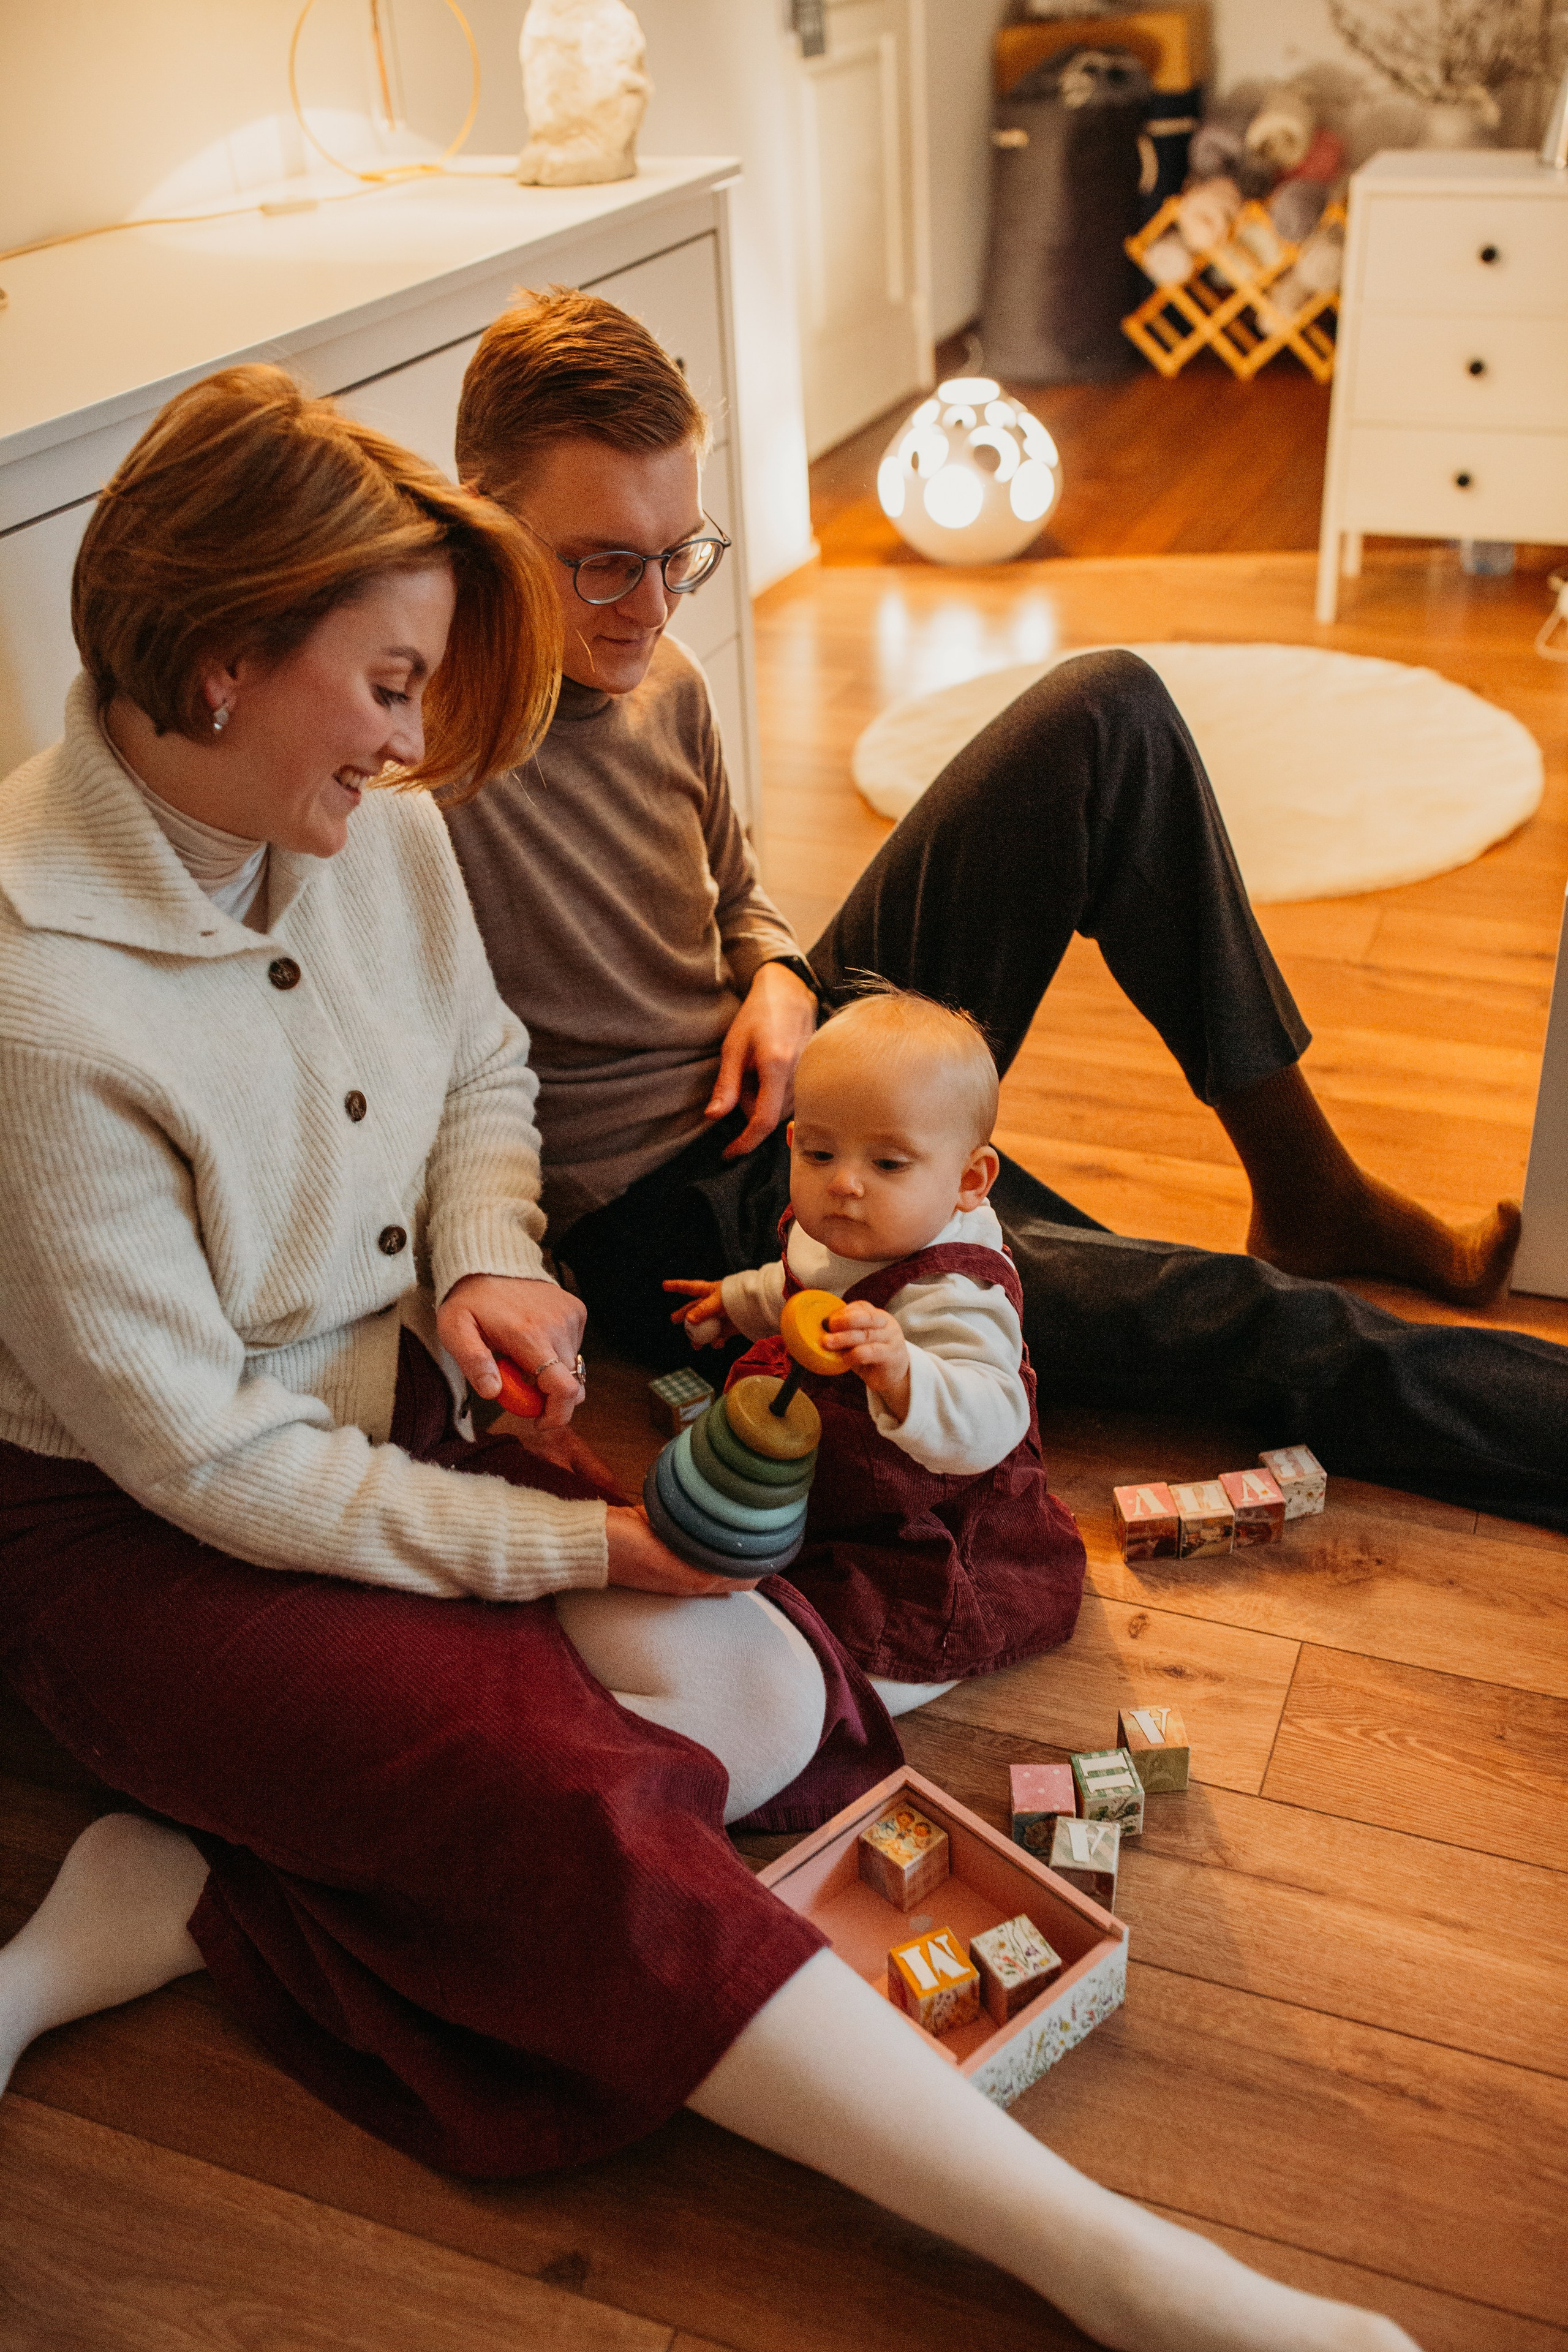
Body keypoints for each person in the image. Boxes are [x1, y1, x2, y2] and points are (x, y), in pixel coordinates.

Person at [0, 363, 1420, 2352]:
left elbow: (478, 1081)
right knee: (566, 1806)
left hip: (402, 1403)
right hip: (149, 1526)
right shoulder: (43, 1014)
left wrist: (490, 1265)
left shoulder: (364, 820)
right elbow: (207, 1465)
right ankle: (1112, 2267)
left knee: (761, 1694)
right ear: (227, 663)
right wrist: (583, 1554)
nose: (420, 740)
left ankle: (195, 1902)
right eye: (393, 682)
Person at [443, 287, 1568, 1534]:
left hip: (795, 1055)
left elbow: (740, 894)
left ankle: (1306, 1182)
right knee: (1243, 1324)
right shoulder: (416, 762)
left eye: (680, 555)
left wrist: (772, 970)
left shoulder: (665, 675)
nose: (652, 608)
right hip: (695, 1201)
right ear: (480, 517)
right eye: (603, 562)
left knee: (1104, 709)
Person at [668, 988, 1086, 1706]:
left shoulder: (957, 1292)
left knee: (873, 1646)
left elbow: (991, 1418)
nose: (845, 1184)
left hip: (926, 1502)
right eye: (820, 1151)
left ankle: (921, 1659)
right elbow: (805, 1288)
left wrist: (903, 1372)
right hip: (834, 1465)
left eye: (889, 1164)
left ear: (967, 1180)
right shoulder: (839, 1224)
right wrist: (742, 1302)